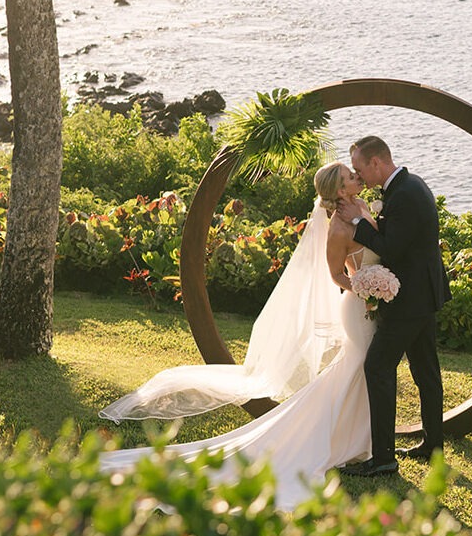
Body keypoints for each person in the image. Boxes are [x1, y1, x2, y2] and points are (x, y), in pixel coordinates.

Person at [98, 161, 383, 510]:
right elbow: (335, 274)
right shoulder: (338, 227)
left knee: (361, 374)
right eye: (350, 176)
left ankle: (355, 442)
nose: (357, 177)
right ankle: (331, 441)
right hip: (359, 307)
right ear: (339, 191)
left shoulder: (362, 207)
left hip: (371, 305)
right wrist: (365, 289)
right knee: (356, 371)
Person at [336, 136, 451, 478]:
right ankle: (433, 445)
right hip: (424, 295)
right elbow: (399, 235)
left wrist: (357, 223)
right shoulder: (410, 185)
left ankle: (384, 457)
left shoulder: (403, 195)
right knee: (426, 372)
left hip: (409, 301)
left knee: (378, 368)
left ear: (376, 163)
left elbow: (391, 248)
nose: (359, 175)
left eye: (359, 168)